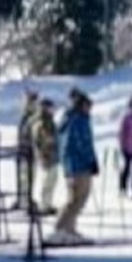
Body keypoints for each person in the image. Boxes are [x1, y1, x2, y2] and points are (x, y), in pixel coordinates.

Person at [52, 89, 98, 244]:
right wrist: (89, 160)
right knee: (76, 198)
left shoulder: (74, 119)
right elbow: (80, 144)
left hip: (76, 165)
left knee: (80, 198)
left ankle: (69, 228)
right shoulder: (77, 121)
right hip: (78, 166)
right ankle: (61, 228)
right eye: (87, 106)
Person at [29, 92, 61, 216]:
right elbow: (42, 138)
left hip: (52, 155)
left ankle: (48, 203)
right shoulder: (41, 122)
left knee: (53, 179)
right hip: (46, 155)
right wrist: (48, 146)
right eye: (50, 108)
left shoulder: (50, 122)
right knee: (47, 180)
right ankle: (44, 204)